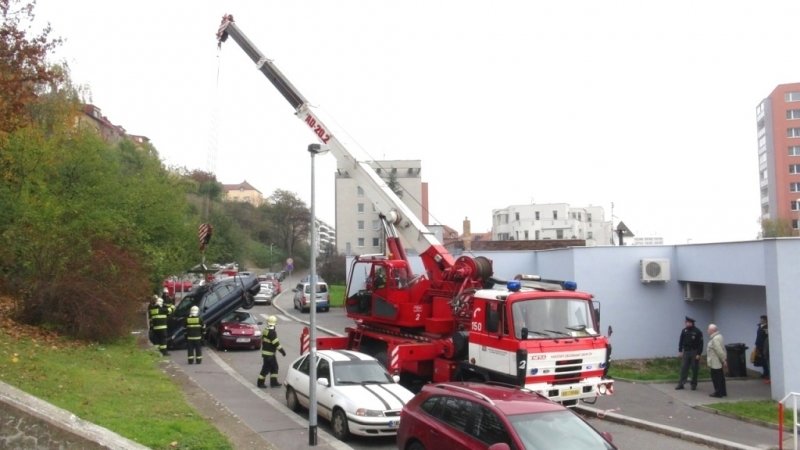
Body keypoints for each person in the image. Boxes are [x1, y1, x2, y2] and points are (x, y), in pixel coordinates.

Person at [257, 315, 286, 388]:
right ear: (274, 324)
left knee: (274, 367)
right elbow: (276, 343)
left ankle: (273, 382)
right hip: (270, 354)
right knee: (266, 369)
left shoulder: (265, 330)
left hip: (266, 353)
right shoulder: (272, 332)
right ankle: (260, 383)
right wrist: (282, 351)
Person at [676, 316, 703, 390]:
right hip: (686, 351)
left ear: (691, 323)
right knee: (683, 368)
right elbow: (681, 341)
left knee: (694, 368)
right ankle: (681, 383)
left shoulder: (697, 331)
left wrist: (699, 354)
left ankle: (693, 384)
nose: (686, 323)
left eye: (687, 322)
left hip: (694, 351)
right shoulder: (684, 331)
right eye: (686, 322)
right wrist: (680, 350)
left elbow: (701, 344)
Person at [707, 323, 727, 397]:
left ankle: (718, 392)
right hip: (718, 361)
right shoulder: (719, 336)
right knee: (721, 377)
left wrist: (723, 360)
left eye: (708, 329)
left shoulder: (715, 339)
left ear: (712, 330)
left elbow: (719, 350)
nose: (707, 331)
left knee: (716, 378)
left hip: (715, 362)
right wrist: (724, 359)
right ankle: (723, 392)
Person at [754, 315, 769, 383]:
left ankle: (767, 374)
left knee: (765, 360)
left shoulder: (767, 327)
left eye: (762, 319)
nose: (761, 320)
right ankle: (764, 373)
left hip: (764, 346)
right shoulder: (760, 326)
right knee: (761, 360)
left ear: (765, 320)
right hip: (759, 345)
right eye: (761, 319)